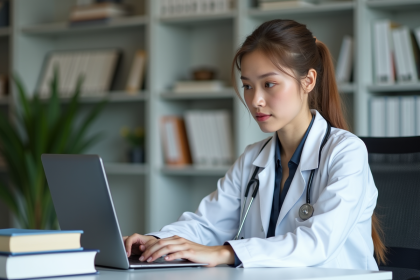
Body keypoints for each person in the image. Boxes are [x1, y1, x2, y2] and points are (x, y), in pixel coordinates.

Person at [123, 19, 387, 269]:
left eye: (269, 84)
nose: (255, 100)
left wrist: (225, 252)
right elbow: (206, 224)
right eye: (248, 86)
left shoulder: (345, 152)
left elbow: (316, 244)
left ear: (308, 81)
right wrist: (157, 242)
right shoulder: (252, 159)